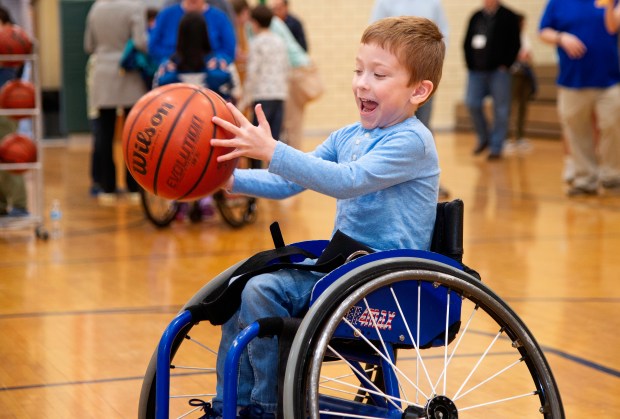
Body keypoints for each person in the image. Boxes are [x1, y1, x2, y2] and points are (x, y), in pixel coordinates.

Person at [202, 15, 445, 418]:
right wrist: (224, 178)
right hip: (344, 273)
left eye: (379, 74)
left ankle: (265, 407)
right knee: (238, 289)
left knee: (263, 291)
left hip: (384, 283)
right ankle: (230, 404)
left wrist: (272, 149)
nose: (362, 83)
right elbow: (286, 183)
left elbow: (346, 181)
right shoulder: (349, 135)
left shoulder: (412, 142)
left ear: (419, 90)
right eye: (358, 70)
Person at [152, 11, 238, 220]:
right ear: (206, 35)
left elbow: (154, 99)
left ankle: (177, 197)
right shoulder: (220, 66)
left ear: (179, 36)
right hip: (212, 135)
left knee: (173, 140)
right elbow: (234, 94)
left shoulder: (166, 68)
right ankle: (207, 197)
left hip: (175, 137)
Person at [370, 0, 451, 198]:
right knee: (388, 127)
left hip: (423, 76)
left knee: (424, 128)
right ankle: (385, 180)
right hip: (394, 80)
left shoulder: (433, 3)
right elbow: (374, 37)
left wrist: (431, 66)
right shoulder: (385, 3)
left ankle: (429, 181)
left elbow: (443, 37)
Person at [540, 0, 620, 196]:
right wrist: (561, 37)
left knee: (613, 125)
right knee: (576, 131)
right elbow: (543, 31)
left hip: (609, 79)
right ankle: (585, 179)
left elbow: (613, 27)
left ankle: (613, 176)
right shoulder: (557, 3)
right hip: (572, 80)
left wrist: (609, 6)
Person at [84, 0, 148, 201]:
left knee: (104, 133)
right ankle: (134, 186)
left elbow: (88, 45)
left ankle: (107, 187)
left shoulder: (96, 8)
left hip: (102, 73)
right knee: (133, 133)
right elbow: (140, 43)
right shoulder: (134, 7)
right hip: (127, 73)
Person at [463, 0, 521, 160]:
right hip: (476, 71)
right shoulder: (476, 16)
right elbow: (467, 42)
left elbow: (516, 43)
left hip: (499, 72)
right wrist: (470, 64)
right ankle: (484, 138)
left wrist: (507, 64)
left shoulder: (509, 16)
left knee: (501, 110)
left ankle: (496, 147)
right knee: (472, 103)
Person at [239, 4, 288, 146]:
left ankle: (257, 168)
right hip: (279, 94)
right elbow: (285, 68)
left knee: (258, 140)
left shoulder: (256, 43)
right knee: (274, 140)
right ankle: (273, 169)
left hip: (262, 97)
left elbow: (253, 73)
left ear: (255, 23)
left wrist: (244, 100)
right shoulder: (279, 41)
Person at [147, 0, 236, 65]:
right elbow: (153, 46)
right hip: (174, 74)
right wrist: (167, 61)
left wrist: (218, 61)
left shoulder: (220, 17)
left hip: (210, 75)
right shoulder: (165, 15)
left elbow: (229, 50)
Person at [505, 13, 536, 154]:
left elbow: (529, 56)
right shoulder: (510, 37)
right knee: (510, 106)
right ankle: (506, 138)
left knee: (523, 105)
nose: (524, 25)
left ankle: (519, 137)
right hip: (513, 74)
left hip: (525, 74)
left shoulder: (525, 37)